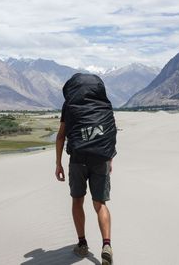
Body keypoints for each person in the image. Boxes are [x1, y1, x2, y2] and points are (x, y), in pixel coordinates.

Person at [55, 73, 117, 265]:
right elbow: (110, 131)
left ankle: (82, 245)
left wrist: (58, 163)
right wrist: (109, 158)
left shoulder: (70, 105)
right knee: (100, 203)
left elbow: (60, 136)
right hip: (101, 158)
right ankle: (106, 245)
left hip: (78, 159)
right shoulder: (103, 103)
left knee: (77, 201)